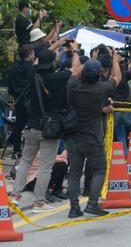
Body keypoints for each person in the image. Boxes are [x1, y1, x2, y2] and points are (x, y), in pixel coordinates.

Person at [12, 44, 82, 212]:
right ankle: (38, 202)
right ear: (52, 63)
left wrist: (56, 47)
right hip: (50, 128)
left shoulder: (32, 73)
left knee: (26, 161)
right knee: (45, 166)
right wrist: (75, 50)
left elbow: (38, 59)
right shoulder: (58, 78)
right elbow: (76, 69)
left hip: (31, 125)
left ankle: (16, 196)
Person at [66, 52, 122, 218]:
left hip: (73, 135)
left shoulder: (73, 84)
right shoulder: (101, 89)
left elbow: (75, 70)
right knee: (99, 169)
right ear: (98, 75)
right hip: (92, 137)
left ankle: (74, 208)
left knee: (74, 172)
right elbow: (117, 77)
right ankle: (92, 203)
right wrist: (115, 59)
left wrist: (75, 51)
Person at [7, 44, 35, 158]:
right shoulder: (32, 68)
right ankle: (30, 151)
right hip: (30, 100)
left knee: (18, 125)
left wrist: (10, 102)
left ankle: (16, 149)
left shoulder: (13, 68)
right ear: (30, 54)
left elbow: (10, 87)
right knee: (31, 126)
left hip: (18, 100)